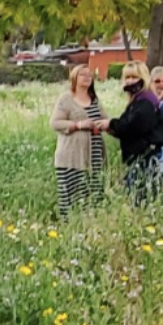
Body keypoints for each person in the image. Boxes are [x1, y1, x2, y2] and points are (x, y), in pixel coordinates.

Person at [107, 61, 163, 205]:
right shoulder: (139, 100)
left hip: (144, 158)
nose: (130, 81)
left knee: (140, 199)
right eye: (127, 77)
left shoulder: (145, 101)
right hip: (140, 157)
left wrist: (111, 124)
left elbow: (133, 127)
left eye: (134, 77)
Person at [50, 64, 108, 216]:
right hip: (72, 157)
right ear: (74, 77)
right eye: (83, 74)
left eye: (90, 75)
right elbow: (55, 123)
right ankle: (69, 224)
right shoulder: (66, 99)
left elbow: (105, 119)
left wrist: (101, 125)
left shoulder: (94, 100)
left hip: (94, 156)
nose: (87, 77)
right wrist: (78, 125)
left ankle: (91, 223)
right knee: (71, 198)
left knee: (93, 196)